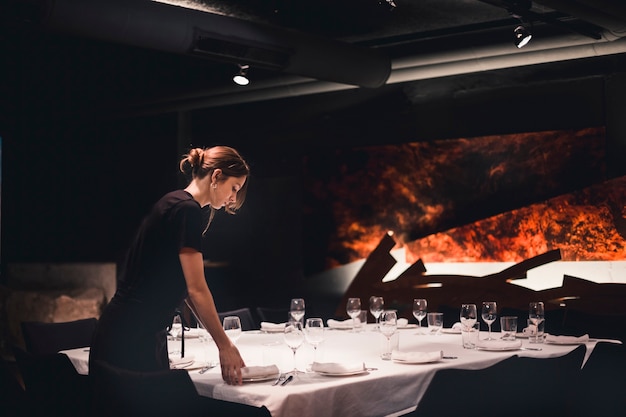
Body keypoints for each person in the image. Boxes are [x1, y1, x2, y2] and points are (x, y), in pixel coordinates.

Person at [89, 145, 250, 385]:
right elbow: (196, 289)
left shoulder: (173, 202)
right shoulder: (187, 211)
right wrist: (224, 346)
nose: (234, 198)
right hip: (133, 337)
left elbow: (185, 290)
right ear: (217, 176)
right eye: (234, 188)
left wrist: (218, 339)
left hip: (127, 330)